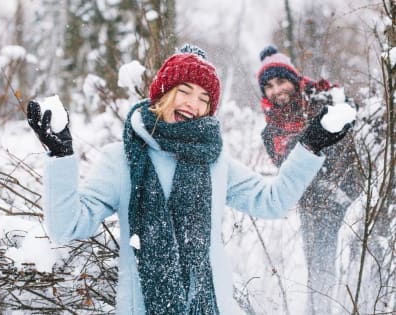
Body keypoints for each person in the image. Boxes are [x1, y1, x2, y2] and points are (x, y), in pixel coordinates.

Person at [27, 44, 350, 315]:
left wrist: (311, 144)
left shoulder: (214, 159)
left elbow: (272, 201)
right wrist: (60, 156)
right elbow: (67, 226)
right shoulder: (121, 160)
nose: (194, 105)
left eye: (204, 99)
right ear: (163, 93)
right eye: (184, 91)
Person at [256, 45, 361, 315]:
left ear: (293, 80)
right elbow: (288, 172)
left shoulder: (322, 100)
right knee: (318, 266)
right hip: (312, 206)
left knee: (357, 260)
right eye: (268, 86)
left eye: (280, 81)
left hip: (349, 197)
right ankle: (320, 309)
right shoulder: (271, 132)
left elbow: (350, 121)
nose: (276, 90)